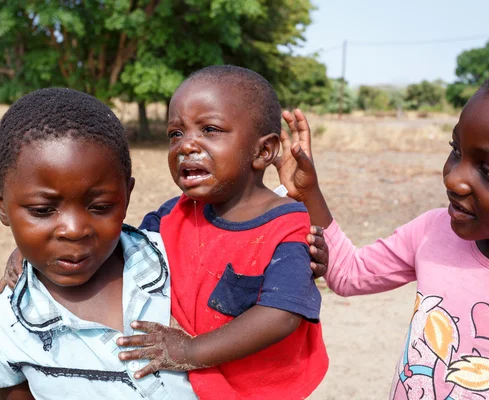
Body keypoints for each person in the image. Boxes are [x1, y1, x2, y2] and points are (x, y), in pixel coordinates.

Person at [276, 50, 489, 399]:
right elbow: (348, 274)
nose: (454, 179)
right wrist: (307, 192)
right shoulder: (434, 232)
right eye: (456, 150)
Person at [0, 88, 197, 400]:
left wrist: (286, 197)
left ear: (126, 196)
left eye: (100, 207)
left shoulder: (180, 258)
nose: (74, 231)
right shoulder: (0, 323)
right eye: (43, 211)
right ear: (0, 203)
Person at [114, 65, 329, 400]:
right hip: (193, 385)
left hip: (259, 390)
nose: (186, 146)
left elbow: (281, 316)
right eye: (176, 133)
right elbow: (118, 251)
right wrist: (36, 255)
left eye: (210, 129)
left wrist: (191, 351)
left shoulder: (287, 225)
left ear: (262, 151)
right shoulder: (174, 213)